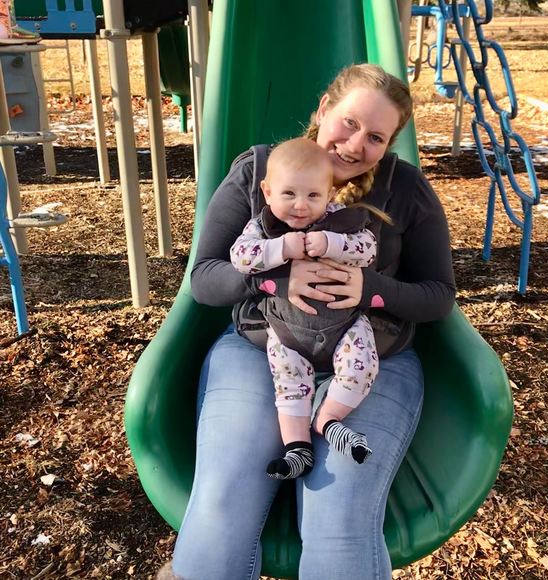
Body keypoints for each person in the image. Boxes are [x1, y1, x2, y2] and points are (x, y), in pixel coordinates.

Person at [158, 63, 456, 580]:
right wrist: (274, 279)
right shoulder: (261, 170)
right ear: (323, 109)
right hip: (264, 346)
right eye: (349, 122)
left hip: (370, 358)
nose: (355, 145)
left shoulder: (403, 188)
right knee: (224, 496)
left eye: (376, 137)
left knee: (338, 514)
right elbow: (205, 278)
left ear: (389, 146)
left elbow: (438, 295)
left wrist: (372, 289)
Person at [230, 137, 389, 479]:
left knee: (363, 364)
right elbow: (240, 257)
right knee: (289, 381)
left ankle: (328, 418)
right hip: (287, 330)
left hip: (344, 325)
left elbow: (368, 249)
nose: (301, 205)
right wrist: (280, 249)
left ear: (329, 194)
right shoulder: (263, 227)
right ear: (267, 191)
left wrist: (333, 243)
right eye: (289, 194)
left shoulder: (341, 220)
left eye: (313, 195)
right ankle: (297, 449)